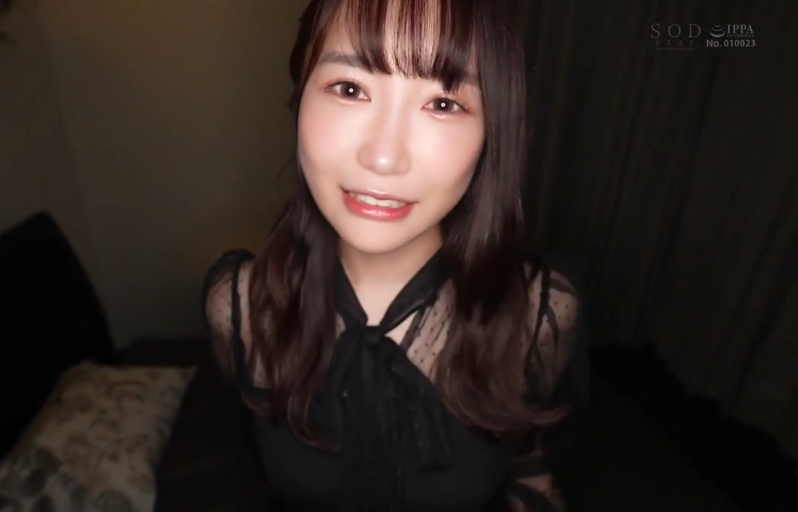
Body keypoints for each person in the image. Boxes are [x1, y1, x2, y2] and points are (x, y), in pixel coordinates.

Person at [203, 0, 581, 510]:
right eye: (350, 89)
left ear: (492, 130)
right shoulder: (241, 307)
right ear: (300, 95)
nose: (383, 158)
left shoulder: (539, 314)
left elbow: (531, 470)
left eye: (443, 104)